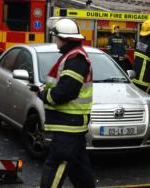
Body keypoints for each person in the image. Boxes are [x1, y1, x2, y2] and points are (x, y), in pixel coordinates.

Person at [36, 19, 95, 188]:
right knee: (79, 168)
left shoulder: (76, 59)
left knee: (56, 164)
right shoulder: (73, 56)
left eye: (56, 37)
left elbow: (66, 91)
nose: (55, 41)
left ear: (64, 39)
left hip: (68, 124)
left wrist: (44, 95)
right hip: (71, 122)